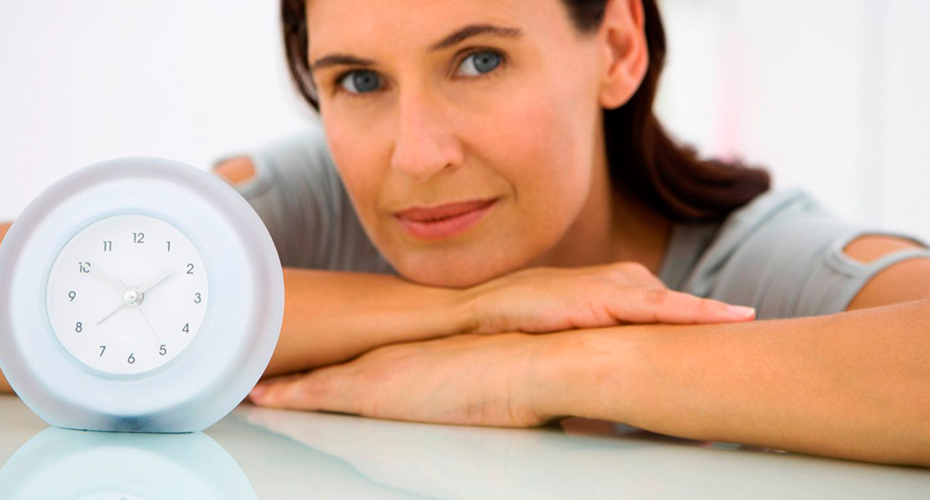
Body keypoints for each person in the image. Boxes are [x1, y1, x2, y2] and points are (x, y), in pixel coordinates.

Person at [2, 0, 930, 468]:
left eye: (479, 60)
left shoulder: (757, 265)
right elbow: (23, 282)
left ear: (617, 48)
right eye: (359, 81)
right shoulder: (304, 204)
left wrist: (545, 368)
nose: (416, 156)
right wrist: (474, 311)